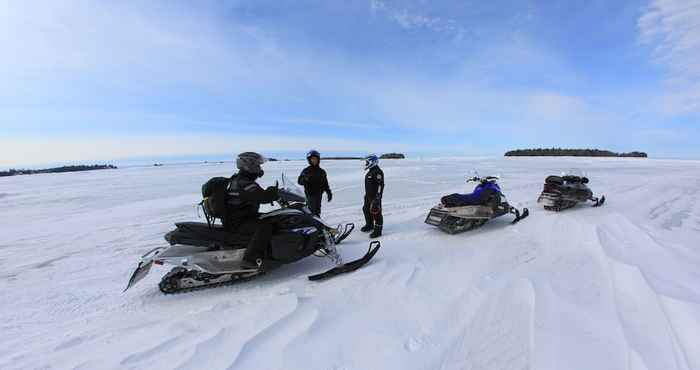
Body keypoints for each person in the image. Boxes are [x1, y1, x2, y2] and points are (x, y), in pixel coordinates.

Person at [223, 152, 280, 269]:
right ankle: (250, 259)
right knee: (265, 226)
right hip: (238, 221)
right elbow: (261, 196)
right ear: (249, 166)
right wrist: (273, 193)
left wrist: (272, 192)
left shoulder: (242, 179)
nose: (259, 168)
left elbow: (257, 195)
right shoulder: (243, 183)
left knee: (272, 218)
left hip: (243, 216)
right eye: (258, 165)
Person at [297, 150, 332, 216]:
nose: (314, 160)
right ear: (309, 160)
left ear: (318, 160)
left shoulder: (322, 171)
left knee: (317, 211)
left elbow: (325, 183)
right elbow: (299, 181)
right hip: (310, 195)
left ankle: (317, 224)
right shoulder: (306, 170)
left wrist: (329, 192)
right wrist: (305, 179)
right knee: (310, 212)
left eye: (315, 159)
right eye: (312, 159)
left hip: (319, 195)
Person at [361, 154, 384, 238]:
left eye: (367, 162)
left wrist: (377, 198)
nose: (366, 163)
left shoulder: (378, 172)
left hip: (375, 197)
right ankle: (369, 225)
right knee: (366, 209)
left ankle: (378, 231)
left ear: (372, 162)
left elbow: (380, 186)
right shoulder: (371, 171)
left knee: (376, 212)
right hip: (368, 196)